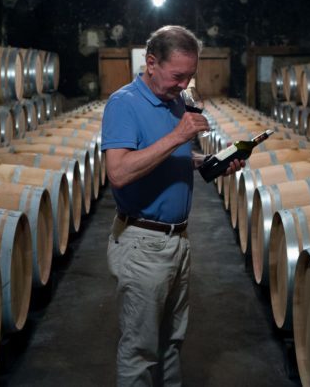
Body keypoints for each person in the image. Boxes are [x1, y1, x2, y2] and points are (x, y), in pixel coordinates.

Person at [101, 25, 242, 386]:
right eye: (179, 75)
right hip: (142, 243)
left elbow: (170, 155)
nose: (185, 84)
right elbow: (117, 172)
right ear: (151, 63)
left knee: (171, 342)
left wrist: (208, 162)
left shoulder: (175, 100)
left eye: (190, 76)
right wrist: (178, 134)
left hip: (177, 241)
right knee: (141, 349)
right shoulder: (124, 103)